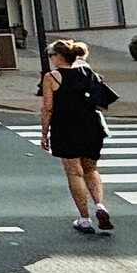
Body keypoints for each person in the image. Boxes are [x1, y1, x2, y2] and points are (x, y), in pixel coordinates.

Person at [40, 39, 113, 234]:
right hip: (91, 126)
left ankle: (85, 218)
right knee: (91, 169)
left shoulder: (52, 77)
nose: (50, 59)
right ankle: (100, 205)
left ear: (58, 57)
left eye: (51, 56)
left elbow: (48, 107)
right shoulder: (87, 72)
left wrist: (44, 133)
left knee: (74, 172)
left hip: (66, 127)